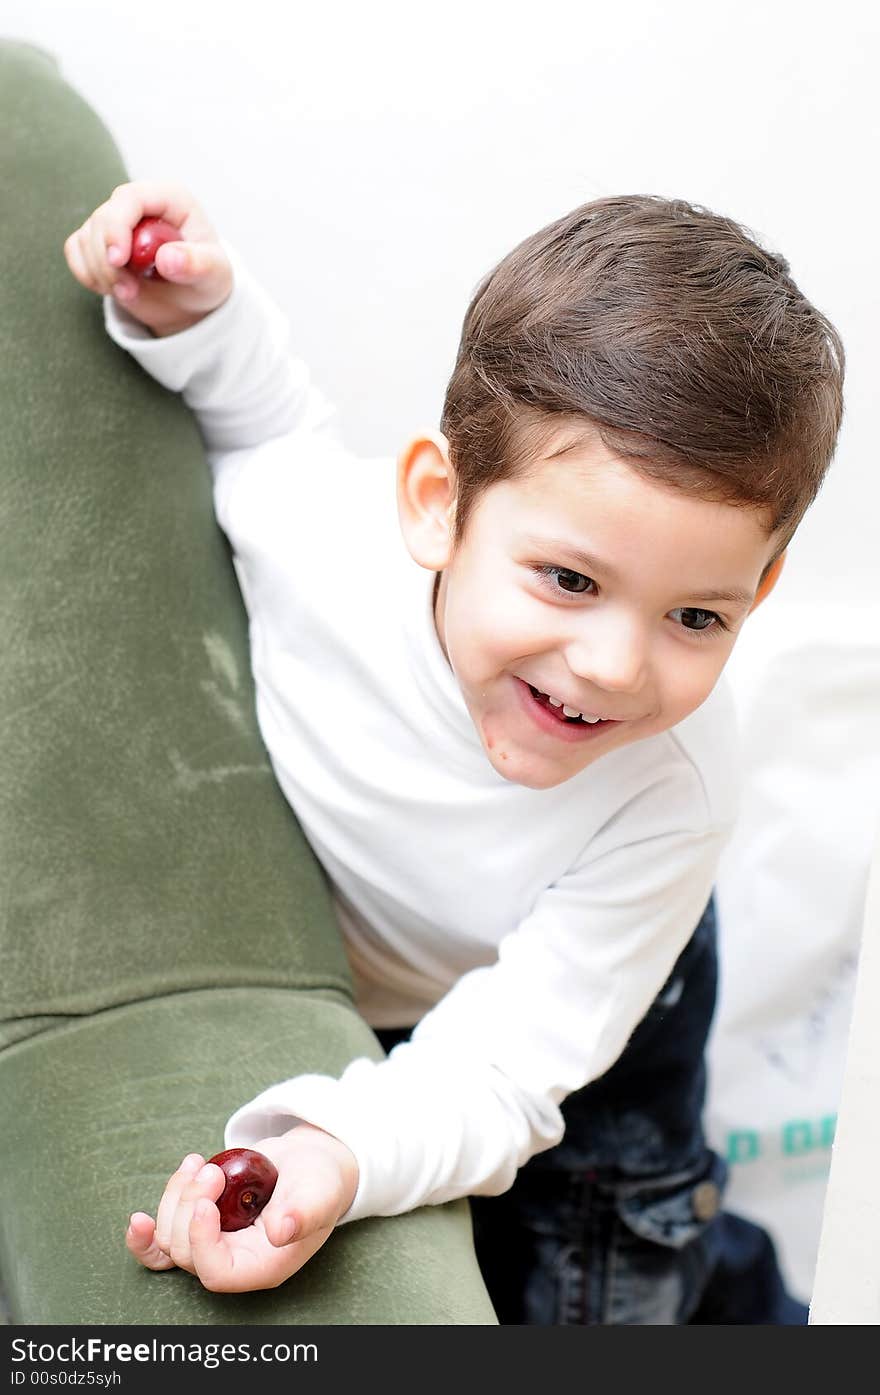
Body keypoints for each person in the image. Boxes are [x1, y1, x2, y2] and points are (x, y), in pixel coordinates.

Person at [63, 181, 844, 1323]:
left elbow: (501, 1066)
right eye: (569, 581)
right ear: (435, 505)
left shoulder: (671, 794)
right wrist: (192, 311)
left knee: (618, 1256)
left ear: (759, 592)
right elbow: (259, 419)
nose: (616, 668)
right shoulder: (325, 549)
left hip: (610, 986)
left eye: (696, 617)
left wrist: (334, 1149)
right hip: (409, 964)